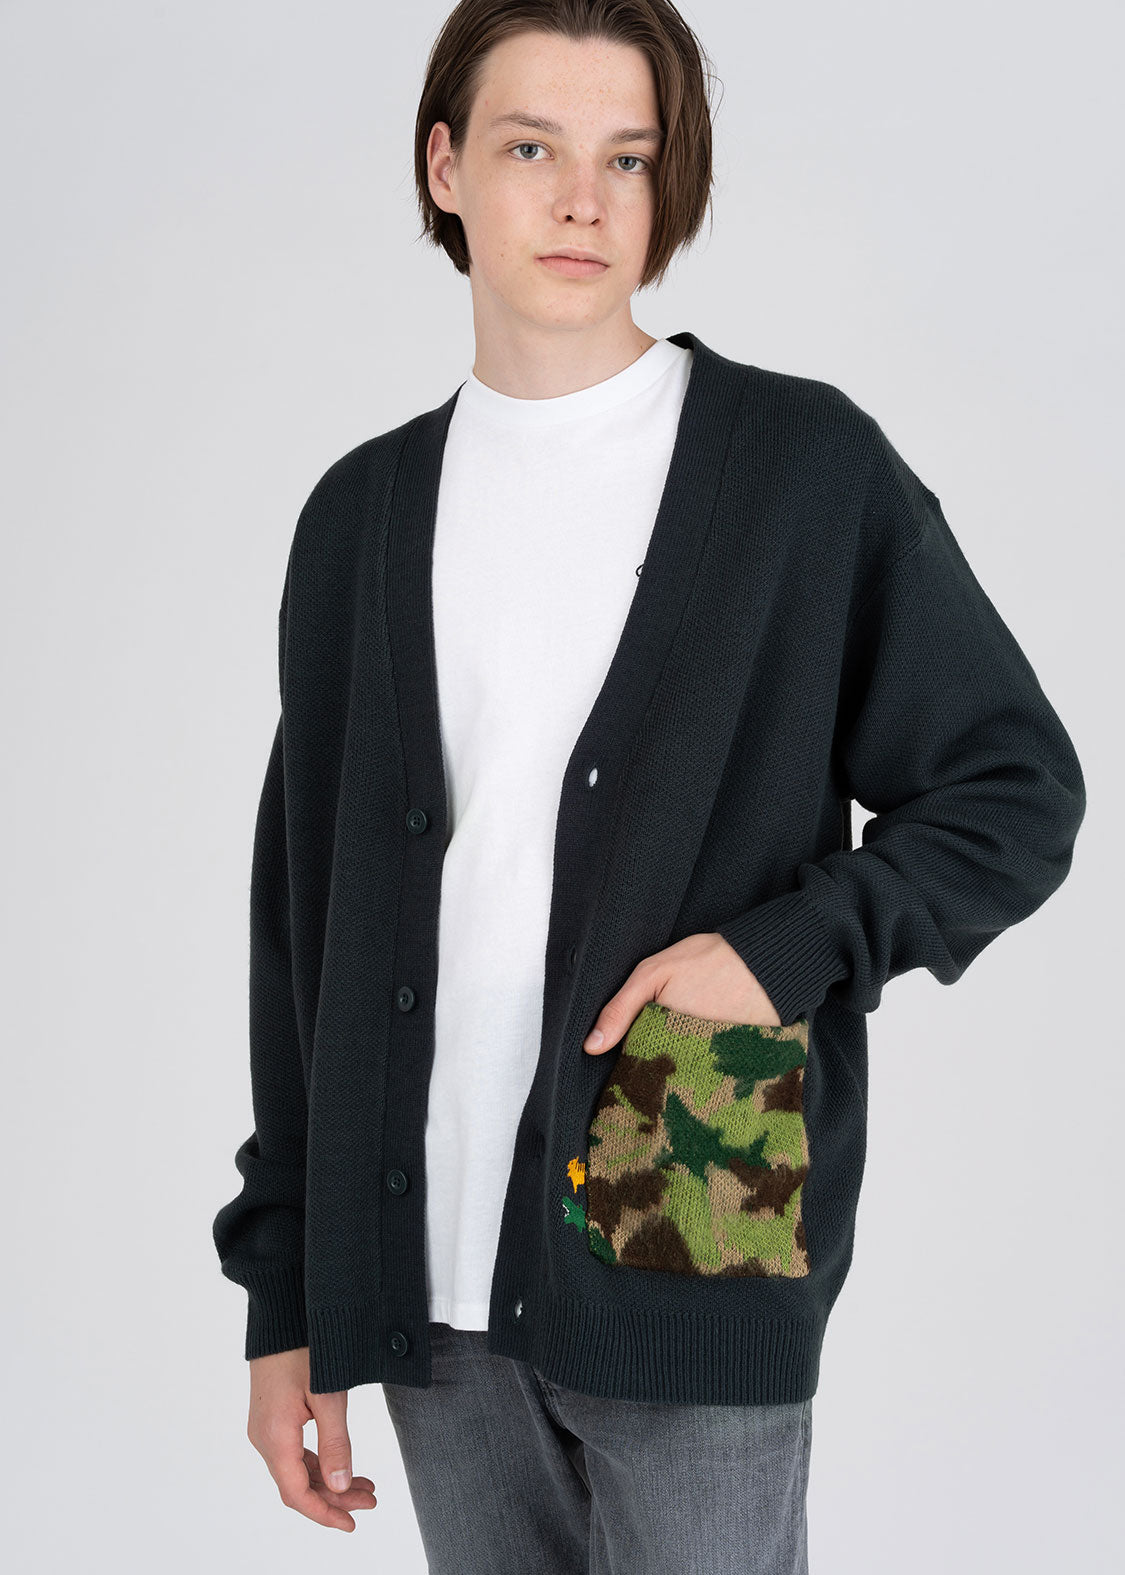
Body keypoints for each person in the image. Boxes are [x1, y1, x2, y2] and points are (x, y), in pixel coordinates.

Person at [211, 3, 1087, 1570]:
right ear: (444, 169)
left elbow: (1009, 790)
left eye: (627, 157)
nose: (583, 200)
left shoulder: (798, 469)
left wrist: (783, 951)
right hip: (420, 1274)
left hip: (687, 1219)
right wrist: (287, 1296)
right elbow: (303, 929)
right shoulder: (357, 517)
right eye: (530, 149)